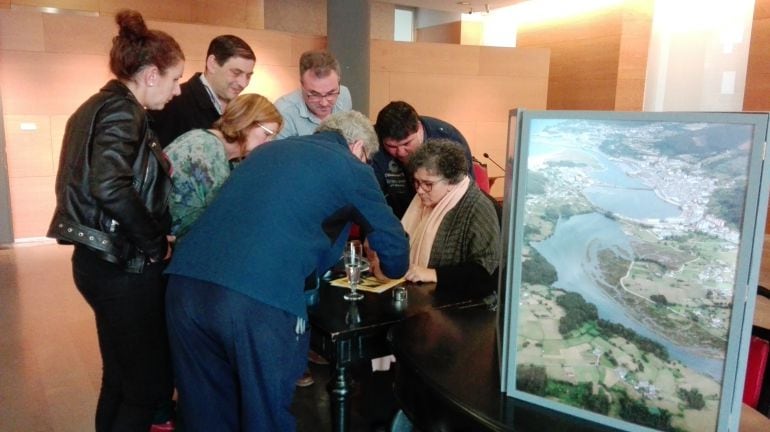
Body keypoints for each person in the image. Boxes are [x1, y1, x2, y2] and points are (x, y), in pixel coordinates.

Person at [164, 110, 410, 431]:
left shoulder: (267, 150)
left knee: (205, 413)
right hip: (256, 299)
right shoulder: (352, 167)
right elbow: (395, 254)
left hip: (184, 286)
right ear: (358, 147)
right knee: (264, 415)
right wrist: (382, 266)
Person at [46, 10, 184, 431]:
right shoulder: (124, 112)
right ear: (149, 74)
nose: (178, 91)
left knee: (121, 378)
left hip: (98, 263)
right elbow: (109, 186)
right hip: (122, 268)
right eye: (175, 79)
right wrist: (154, 242)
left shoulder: (95, 105)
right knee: (147, 388)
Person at [165, 93, 282, 239]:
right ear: (246, 122)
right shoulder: (206, 148)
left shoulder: (224, 154)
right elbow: (219, 218)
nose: (269, 143)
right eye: (267, 134)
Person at [400, 138, 500, 295]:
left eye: (428, 184)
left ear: (451, 181)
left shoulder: (478, 207)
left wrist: (434, 274)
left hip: (461, 307)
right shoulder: (423, 200)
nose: (419, 190)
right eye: (417, 182)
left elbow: (486, 272)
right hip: (422, 294)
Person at [372, 100, 476, 218]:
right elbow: (370, 196)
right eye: (391, 146)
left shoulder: (448, 139)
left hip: (441, 216)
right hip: (391, 217)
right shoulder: (372, 141)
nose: (400, 152)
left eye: (407, 143)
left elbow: (463, 192)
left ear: (419, 128)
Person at [150, 34, 256, 146]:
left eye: (248, 76)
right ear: (212, 64)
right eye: (236, 73)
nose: (243, 83)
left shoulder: (242, 112)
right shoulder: (172, 105)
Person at [274, 49, 352, 139]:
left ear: (339, 82)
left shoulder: (344, 95)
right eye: (315, 95)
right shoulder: (283, 113)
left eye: (330, 93)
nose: (324, 103)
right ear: (301, 85)